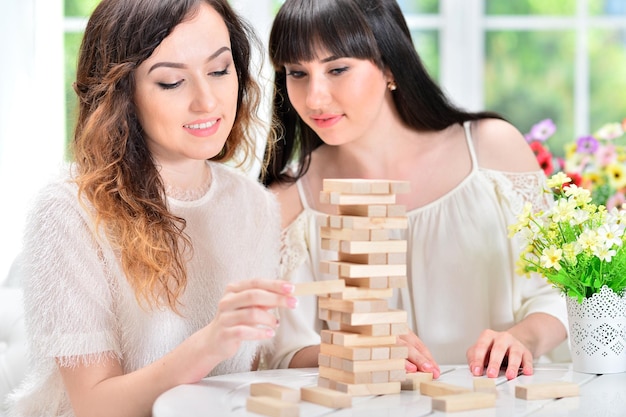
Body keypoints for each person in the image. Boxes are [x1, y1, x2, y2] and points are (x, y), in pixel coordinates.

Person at [5, 1, 297, 416]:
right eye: (172, 82)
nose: (207, 100)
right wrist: (207, 344)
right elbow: (94, 405)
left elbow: (241, 382)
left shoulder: (255, 207)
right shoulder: (68, 210)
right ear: (122, 94)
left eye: (219, 70)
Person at [261, 0, 569, 381]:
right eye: (297, 73)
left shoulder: (492, 150)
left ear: (390, 66)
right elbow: (282, 354)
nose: (314, 98)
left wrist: (523, 338)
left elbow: (564, 292)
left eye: (337, 69)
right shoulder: (289, 200)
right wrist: (351, 350)